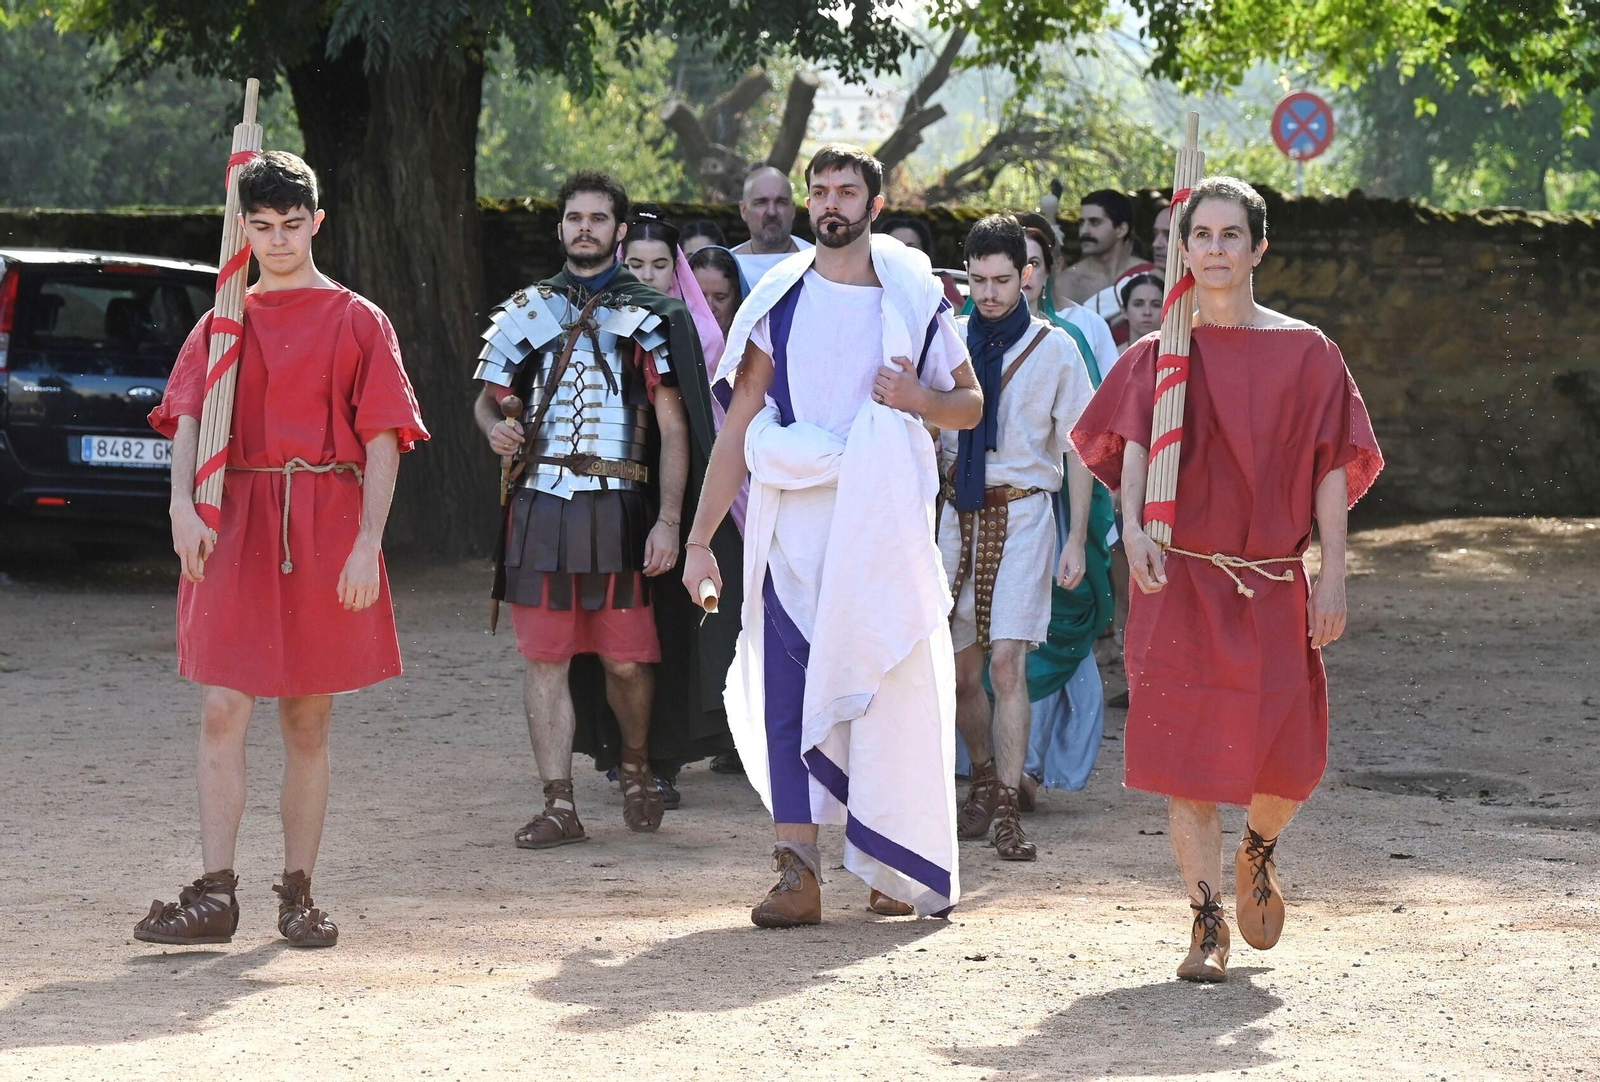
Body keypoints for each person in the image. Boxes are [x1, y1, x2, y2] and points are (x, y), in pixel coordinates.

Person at [1070, 176, 1384, 982]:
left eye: (1229, 236)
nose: (1213, 249)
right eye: (1200, 235)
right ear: (1182, 248)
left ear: (1258, 249)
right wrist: (1135, 528)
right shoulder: (1158, 353)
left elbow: (1328, 470)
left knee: (1292, 757)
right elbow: (1132, 455)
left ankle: (1259, 846)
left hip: (1273, 578)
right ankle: (1206, 922)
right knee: (1187, 761)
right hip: (1179, 580)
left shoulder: (1309, 353)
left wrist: (1331, 573)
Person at [681, 143, 982, 926]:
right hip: (795, 526)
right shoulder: (776, 298)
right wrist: (701, 539)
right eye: (821, 191)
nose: (831, 204)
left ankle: (890, 863)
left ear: (875, 206)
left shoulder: (915, 298)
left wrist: (918, 396)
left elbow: (969, 405)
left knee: (886, 695)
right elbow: (740, 423)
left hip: (882, 528)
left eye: (848, 191)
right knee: (789, 699)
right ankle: (797, 871)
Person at [134, 151, 428, 948]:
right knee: (224, 705)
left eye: (291, 226)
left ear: (317, 223)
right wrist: (181, 510)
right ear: (243, 228)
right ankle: (215, 893)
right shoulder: (221, 320)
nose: (277, 241)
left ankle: (297, 892)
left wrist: (368, 542)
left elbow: (382, 440)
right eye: (259, 227)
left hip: (325, 520)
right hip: (231, 519)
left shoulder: (359, 319)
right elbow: (188, 416)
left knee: (306, 719)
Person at [474, 171, 738, 847]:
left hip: (619, 510)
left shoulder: (653, 316)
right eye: (574, 217)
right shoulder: (528, 309)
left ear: (620, 232)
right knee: (544, 659)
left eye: (598, 218)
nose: (584, 228)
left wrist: (671, 522)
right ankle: (559, 803)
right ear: (560, 227)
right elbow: (488, 397)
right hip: (538, 509)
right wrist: (494, 429)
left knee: (626, 661)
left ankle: (636, 762)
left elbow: (676, 427)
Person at [940, 215, 1094, 862]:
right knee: (958, 670)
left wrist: (1077, 539)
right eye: (978, 280)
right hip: (954, 514)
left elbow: (1080, 450)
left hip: (1027, 513)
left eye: (1002, 279)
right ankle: (981, 775)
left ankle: (1006, 804)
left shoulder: (1054, 347)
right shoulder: (945, 340)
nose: (990, 293)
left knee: (1007, 663)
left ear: (1026, 275)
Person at [1054, 189, 1157, 346]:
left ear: (1121, 229)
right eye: (1082, 223)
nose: (1084, 231)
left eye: (1094, 222)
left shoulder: (1151, 275)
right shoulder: (1067, 282)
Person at [730, 165, 813, 285]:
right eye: (761, 202)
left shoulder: (817, 263)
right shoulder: (729, 265)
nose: (771, 212)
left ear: (793, 210)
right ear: (743, 210)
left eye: (781, 202)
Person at [880, 213, 964, 307]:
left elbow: (957, 313)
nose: (903, 252)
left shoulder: (940, 282)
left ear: (924, 249)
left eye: (911, 246)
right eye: (896, 246)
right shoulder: (870, 283)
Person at [689, 245, 743, 339]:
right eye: (700, 298)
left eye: (720, 298)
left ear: (736, 297)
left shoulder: (756, 348)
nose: (709, 308)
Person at [1120, 271, 1164, 343]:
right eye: (1138, 304)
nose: (1147, 312)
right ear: (1124, 311)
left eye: (1156, 305)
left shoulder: (1178, 353)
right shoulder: (1113, 353)